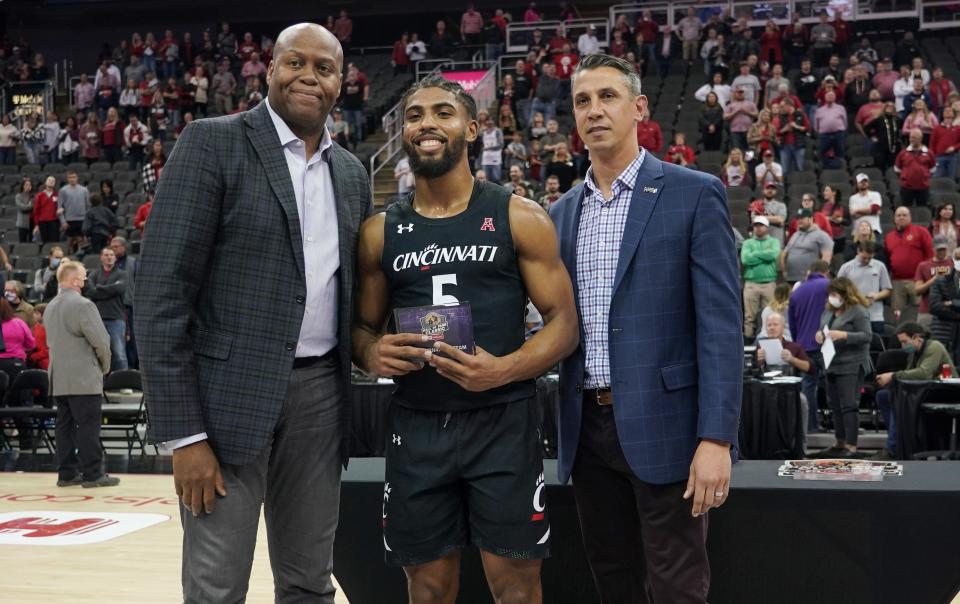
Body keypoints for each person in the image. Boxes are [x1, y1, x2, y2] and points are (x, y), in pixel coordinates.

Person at [136, 23, 373, 603]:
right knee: (217, 588)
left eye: (324, 68)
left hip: (320, 398)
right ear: (269, 70)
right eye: (296, 63)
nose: (309, 77)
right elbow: (161, 296)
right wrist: (184, 436)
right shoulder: (211, 142)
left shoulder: (352, 174)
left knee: (310, 583)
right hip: (223, 406)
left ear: (341, 82)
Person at [352, 75, 577, 604]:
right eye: (414, 116)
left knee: (517, 589)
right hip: (417, 425)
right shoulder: (380, 230)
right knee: (427, 588)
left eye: (442, 113)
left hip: (503, 422)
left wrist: (503, 369)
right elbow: (362, 331)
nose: (427, 123)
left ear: (472, 128)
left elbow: (564, 324)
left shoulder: (519, 215)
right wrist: (372, 352)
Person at [550, 53, 742, 603]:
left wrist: (716, 438)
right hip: (586, 431)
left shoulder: (694, 192)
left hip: (671, 428)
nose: (594, 111)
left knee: (678, 587)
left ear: (638, 108)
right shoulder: (560, 213)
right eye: (583, 101)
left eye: (607, 97)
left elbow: (721, 328)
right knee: (613, 583)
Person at [46, 261, 117, 487]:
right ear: (75, 280)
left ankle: (66, 474)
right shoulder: (84, 305)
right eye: (84, 277)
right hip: (83, 377)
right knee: (88, 426)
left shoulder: (50, 307)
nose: (86, 281)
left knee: (64, 427)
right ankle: (93, 474)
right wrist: (105, 367)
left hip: (58, 378)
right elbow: (102, 342)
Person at [874, 322, 956, 460]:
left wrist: (892, 376)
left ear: (916, 337)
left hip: (944, 391)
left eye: (905, 342)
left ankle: (892, 448)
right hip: (924, 390)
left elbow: (924, 373)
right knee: (883, 396)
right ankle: (899, 441)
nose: (903, 346)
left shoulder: (934, 347)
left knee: (897, 397)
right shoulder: (914, 353)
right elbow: (909, 374)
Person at [812, 277, 872, 458]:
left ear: (846, 294)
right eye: (830, 294)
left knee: (849, 405)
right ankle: (839, 442)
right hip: (832, 363)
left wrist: (844, 335)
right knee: (835, 405)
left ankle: (852, 446)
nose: (831, 297)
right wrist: (819, 335)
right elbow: (824, 330)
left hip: (852, 364)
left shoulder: (858, 311)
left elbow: (867, 336)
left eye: (835, 294)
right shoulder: (828, 311)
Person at [790, 260, 832, 432]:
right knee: (830, 384)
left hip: (803, 345)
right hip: (824, 343)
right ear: (826, 272)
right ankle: (825, 426)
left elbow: (792, 324)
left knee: (808, 386)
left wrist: (798, 343)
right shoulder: (828, 285)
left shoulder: (797, 291)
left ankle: (810, 425)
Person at [885, 206, 933, 324]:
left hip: (917, 281)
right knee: (897, 314)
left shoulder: (920, 231)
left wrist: (926, 277)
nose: (901, 217)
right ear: (894, 218)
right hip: (896, 282)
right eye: (898, 215)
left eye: (904, 215)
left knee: (920, 311)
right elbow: (887, 259)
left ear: (910, 217)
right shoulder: (889, 236)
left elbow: (930, 254)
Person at [837, 240, 892, 335]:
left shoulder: (880, 266)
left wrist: (877, 295)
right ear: (858, 251)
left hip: (875, 315)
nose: (866, 261)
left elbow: (887, 289)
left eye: (869, 258)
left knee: (877, 344)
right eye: (864, 258)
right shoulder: (846, 267)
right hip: (852, 314)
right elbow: (838, 290)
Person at [741, 215, 780, 339]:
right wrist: (764, 255)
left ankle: (769, 343)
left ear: (767, 227)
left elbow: (773, 255)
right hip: (751, 283)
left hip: (769, 283)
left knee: (771, 316)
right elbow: (745, 259)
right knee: (749, 317)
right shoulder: (747, 243)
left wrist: (755, 254)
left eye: (761, 225)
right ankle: (747, 344)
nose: (758, 228)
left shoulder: (774, 242)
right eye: (756, 225)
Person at [781, 209, 835, 285]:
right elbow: (785, 254)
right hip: (791, 278)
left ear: (811, 219)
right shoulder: (795, 235)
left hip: (810, 279)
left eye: (802, 218)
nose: (799, 221)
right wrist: (784, 271)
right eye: (798, 219)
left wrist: (818, 276)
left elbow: (826, 258)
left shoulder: (822, 235)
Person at [914, 235, 954, 330]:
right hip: (927, 310)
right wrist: (933, 280)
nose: (942, 252)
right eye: (939, 249)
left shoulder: (953, 263)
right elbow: (917, 290)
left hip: (949, 310)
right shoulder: (923, 265)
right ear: (933, 248)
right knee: (924, 337)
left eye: (944, 249)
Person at [895, 128, 937, 208]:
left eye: (914, 137)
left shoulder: (929, 153)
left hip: (923, 187)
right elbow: (897, 169)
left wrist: (924, 176)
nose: (911, 139)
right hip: (906, 187)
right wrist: (906, 176)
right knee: (906, 209)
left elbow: (933, 169)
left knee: (922, 209)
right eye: (911, 137)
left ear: (920, 138)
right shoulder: (903, 153)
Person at [58, 170, 91, 254]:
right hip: (69, 220)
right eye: (70, 177)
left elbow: (88, 206)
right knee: (69, 241)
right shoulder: (63, 190)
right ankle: (70, 258)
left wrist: (87, 220)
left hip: (81, 219)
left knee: (81, 240)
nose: (72, 179)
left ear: (77, 178)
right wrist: (63, 221)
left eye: (74, 177)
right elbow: (59, 207)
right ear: (67, 179)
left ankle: (80, 258)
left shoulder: (84, 190)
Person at [724, 86, 758, 151]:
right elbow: (725, 117)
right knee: (736, 149)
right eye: (738, 92)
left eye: (741, 92)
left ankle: (749, 161)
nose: (740, 94)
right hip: (735, 131)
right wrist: (735, 112)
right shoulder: (730, 105)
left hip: (748, 130)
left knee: (749, 150)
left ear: (744, 93)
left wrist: (747, 112)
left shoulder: (751, 104)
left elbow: (756, 115)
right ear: (735, 94)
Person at [931, 105, 958, 179]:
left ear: (953, 114)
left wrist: (954, 147)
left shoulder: (957, 128)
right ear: (942, 114)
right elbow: (932, 143)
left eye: (950, 111)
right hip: (939, 156)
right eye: (946, 111)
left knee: (951, 178)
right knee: (937, 177)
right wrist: (933, 156)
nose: (948, 112)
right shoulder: (937, 128)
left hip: (953, 156)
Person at [28, 303, 49, 370]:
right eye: (34, 313)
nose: (34, 315)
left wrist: (35, 356)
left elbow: (48, 350)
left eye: (37, 314)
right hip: (37, 360)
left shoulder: (49, 329)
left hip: (46, 362)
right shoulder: (36, 327)